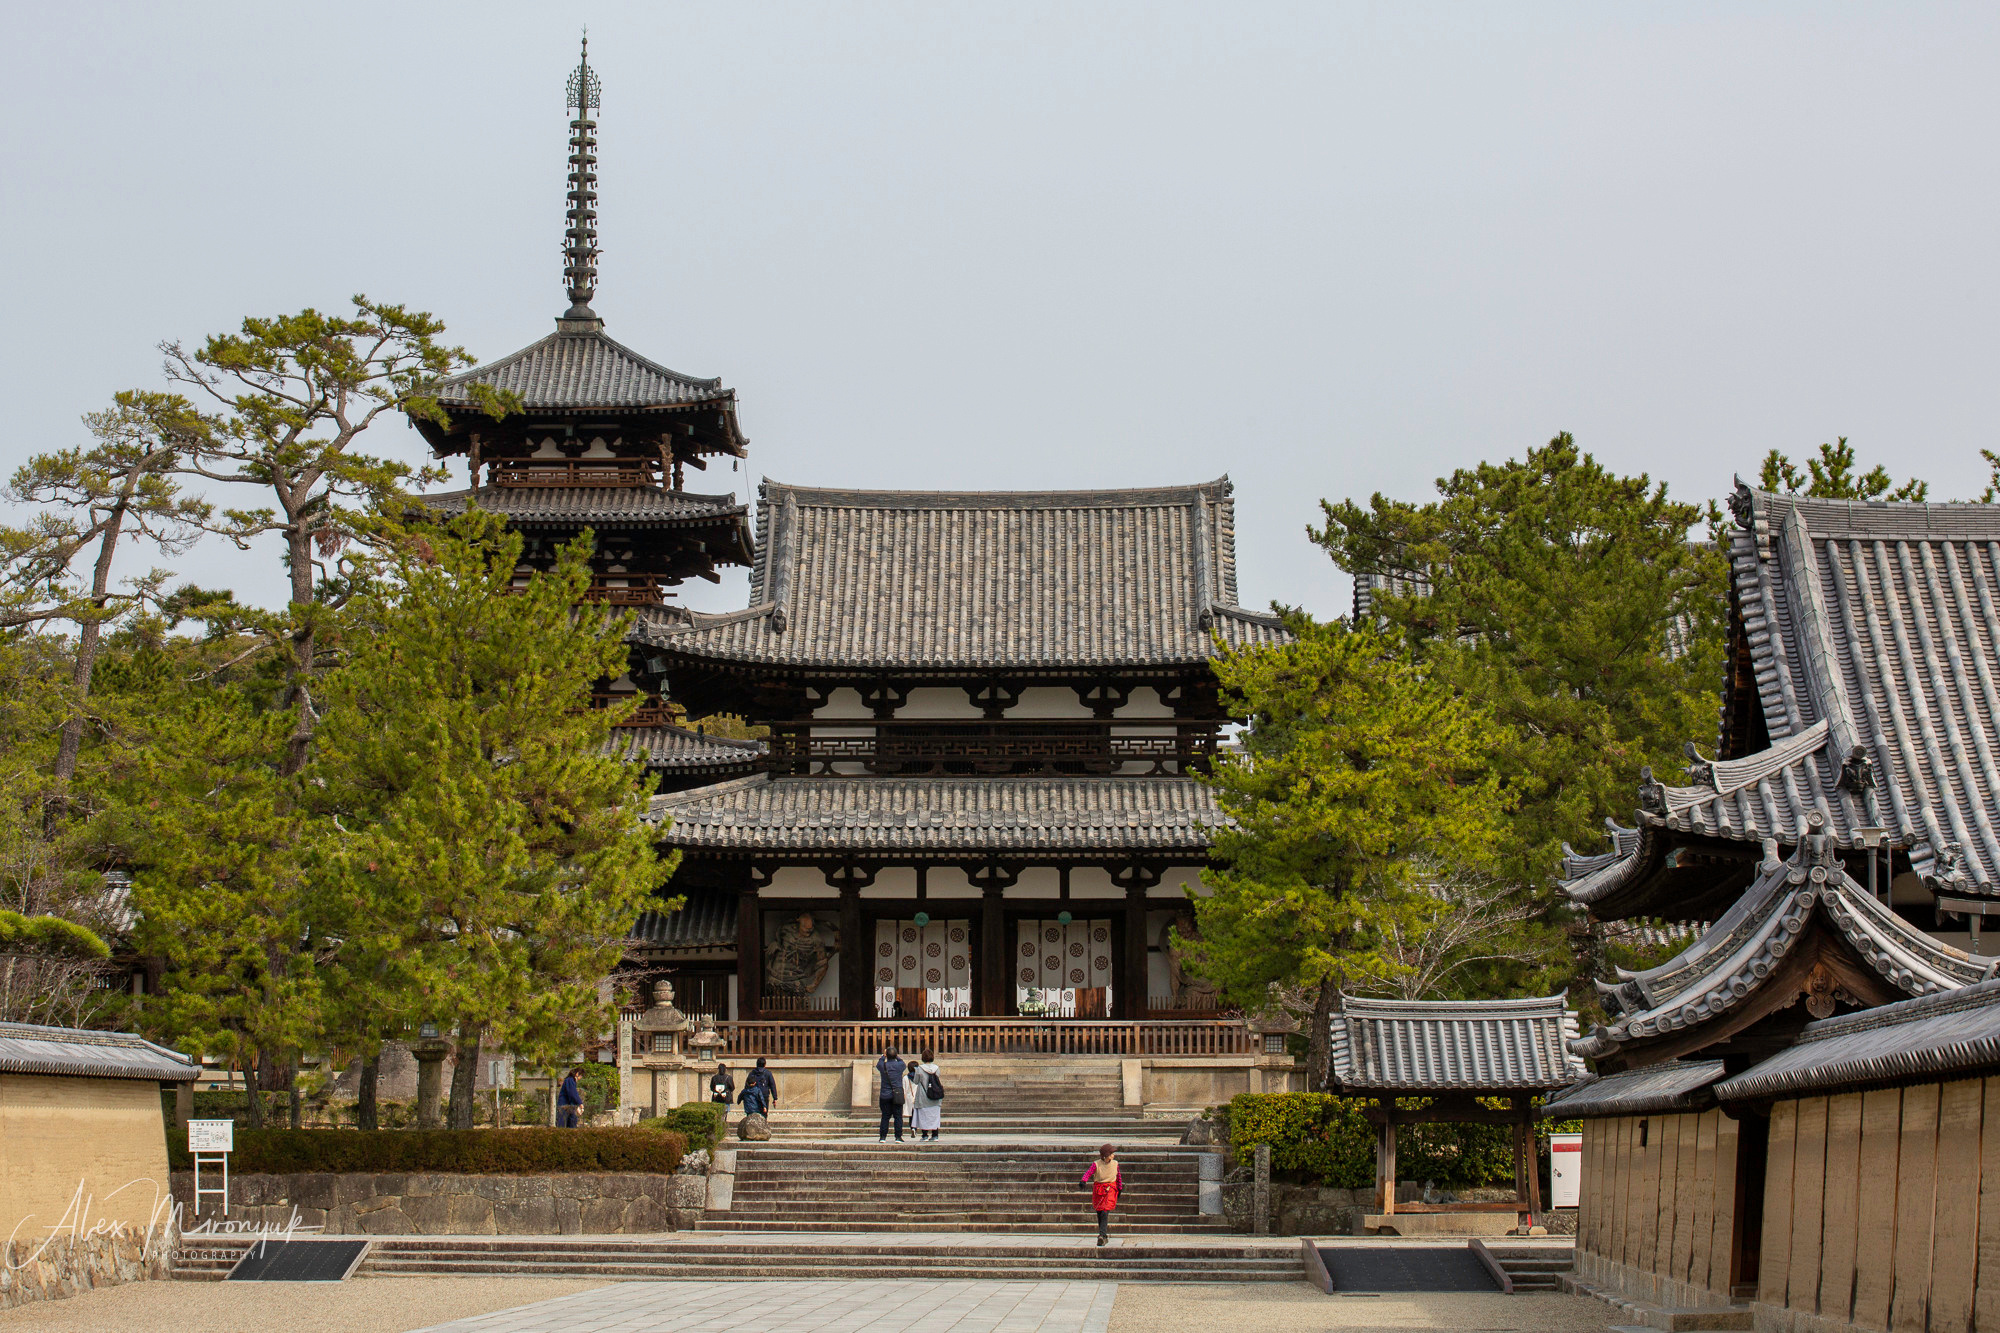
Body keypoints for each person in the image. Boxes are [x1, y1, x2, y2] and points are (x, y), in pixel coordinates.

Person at [1080, 1143, 1122, 1246]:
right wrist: (1083, 1180)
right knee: (1099, 1212)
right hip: (1099, 1189)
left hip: (1110, 1189)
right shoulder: (1096, 1164)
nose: (1113, 1155)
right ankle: (1103, 1235)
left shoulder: (1115, 1164)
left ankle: (1102, 1235)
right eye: (1111, 1153)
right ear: (1106, 1155)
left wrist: (1119, 1187)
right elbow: (1089, 1172)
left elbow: (1118, 1176)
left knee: (1104, 1211)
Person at [907, 1048, 943, 1142]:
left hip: (923, 1096)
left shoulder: (919, 1069)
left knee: (924, 1116)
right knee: (934, 1116)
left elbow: (915, 1081)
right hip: (935, 1095)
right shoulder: (936, 1068)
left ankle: (925, 1135)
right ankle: (935, 1135)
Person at [875, 1045, 907, 1143]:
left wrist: (883, 1056)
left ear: (886, 1055)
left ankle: (883, 1137)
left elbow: (878, 1063)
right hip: (897, 1093)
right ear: (896, 1055)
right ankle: (898, 1136)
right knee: (898, 1116)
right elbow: (902, 1062)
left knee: (885, 1116)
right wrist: (896, 1056)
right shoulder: (900, 1066)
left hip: (885, 1093)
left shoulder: (882, 1065)